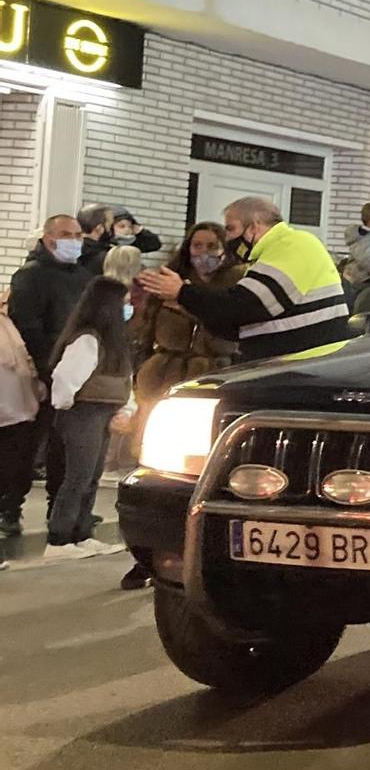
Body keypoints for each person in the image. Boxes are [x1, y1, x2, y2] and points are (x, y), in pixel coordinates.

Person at [119, 223, 240, 590]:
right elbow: (142, 332)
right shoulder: (166, 281)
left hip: (212, 377)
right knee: (154, 472)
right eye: (196, 245)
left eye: (211, 245)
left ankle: (198, 552)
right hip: (163, 380)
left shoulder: (235, 284)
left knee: (200, 473)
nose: (202, 252)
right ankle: (148, 555)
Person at [135, 196, 349, 364]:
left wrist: (183, 293)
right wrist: (188, 304)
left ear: (254, 226)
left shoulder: (294, 244)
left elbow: (247, 306)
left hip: (302, 366)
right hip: (291, 365)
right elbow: (240, 326)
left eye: (230, 228)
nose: (227, 238)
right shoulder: (270, 255)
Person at [3, 214, 92, 539]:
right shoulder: (31, 276)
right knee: (24, 447)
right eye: (67, 234)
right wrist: (48, 369)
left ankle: (62, 507)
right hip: (41, 374)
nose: (74, 240)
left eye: (78, 234)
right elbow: (28, 325)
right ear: (49, 237)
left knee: (65, 449)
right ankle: (9, 506)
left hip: (74, 374)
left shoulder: (83, 276)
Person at [40, 277, 131, 561]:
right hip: (83, 412)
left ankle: (82, 533)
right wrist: (65, 405)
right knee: (77, 476)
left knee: (91, 475)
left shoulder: (111, 341)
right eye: (124, 302)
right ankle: (59, 538)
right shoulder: (88, 339)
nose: (127, 308)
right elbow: (66, 378)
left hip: (102, 411)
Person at [0, 285, 42, 554]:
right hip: (12, 408)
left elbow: (25, 364)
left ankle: (11, 509)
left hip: (18, 409)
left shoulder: (9, 327)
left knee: (15, 463)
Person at [77, 203, 161, 272]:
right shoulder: (104, 256)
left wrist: (140, 231)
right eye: (109, 225)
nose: (127, 230)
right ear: (100, 228)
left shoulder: (80, 248)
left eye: (130, 226)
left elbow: (153, 244)